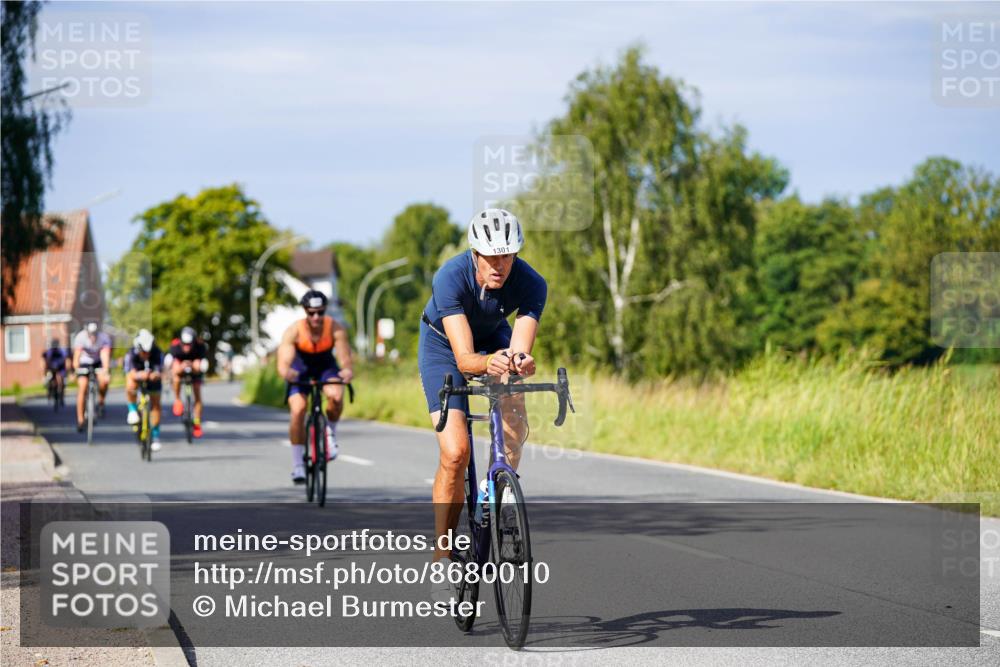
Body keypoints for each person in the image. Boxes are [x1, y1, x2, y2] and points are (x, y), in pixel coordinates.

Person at [418, 208, 546, 602]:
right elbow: (464, 358)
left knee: (512, 384)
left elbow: (519, 347)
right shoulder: (450, 277)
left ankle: (503, 495)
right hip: (444, 347)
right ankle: (442, 554)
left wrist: (518, 361)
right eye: (491, 256)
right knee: (455, 453)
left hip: (494, 336)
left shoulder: (531, 283)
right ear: (475, 253)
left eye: (508, 256)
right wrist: (487, 362)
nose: (500, 265)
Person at [276, 290, 353, 484]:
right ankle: (298, 466)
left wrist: (346, 371)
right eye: (311, 313)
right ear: (305, 311)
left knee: (335, 396)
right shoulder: (294, 330)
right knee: (298, 409)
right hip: (300, 368)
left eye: (320, 312)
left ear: (325, 310)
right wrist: (287, 372)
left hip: (325, 366)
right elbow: (283, 362)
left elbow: (345, 358)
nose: (316, 317)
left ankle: (330, 434)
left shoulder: (335, 328)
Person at [124, 329, 164, 451]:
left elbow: (160, 371)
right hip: (137, 375)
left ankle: (156, 436)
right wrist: (139, 375)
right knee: (130, 383)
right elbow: (130, 373)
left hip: (152, 376)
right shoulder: (131, 354)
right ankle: (132, 410)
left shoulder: (157, 352)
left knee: (156, 404)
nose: (146, 354)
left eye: (148, 352)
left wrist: (155, 375)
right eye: (144, 352)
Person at [168, 326, 208, 438]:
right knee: (175, 375)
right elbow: (171, 364)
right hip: (180, 367)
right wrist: (181, 367)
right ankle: (177, 400)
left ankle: (197, 423)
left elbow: (203, 365)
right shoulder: (175, 346)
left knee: (197, 394)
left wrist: (195, 366)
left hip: (195, 370)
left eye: (189, 344)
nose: (186, 347)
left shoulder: (200, 346)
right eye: (184, 344)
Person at [72, 322, 112, 431]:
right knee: (82, 387)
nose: (93, 337)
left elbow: (105, 356)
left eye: (95, 334)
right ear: (87, 333)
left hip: (98, 361)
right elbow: (76, 357)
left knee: (104, 381)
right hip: (84, 362)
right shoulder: (81, 337)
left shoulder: (104, 338)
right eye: (91, 334)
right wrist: (76, 370)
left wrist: (106, 371)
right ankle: (80, 420)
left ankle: (101, 402)